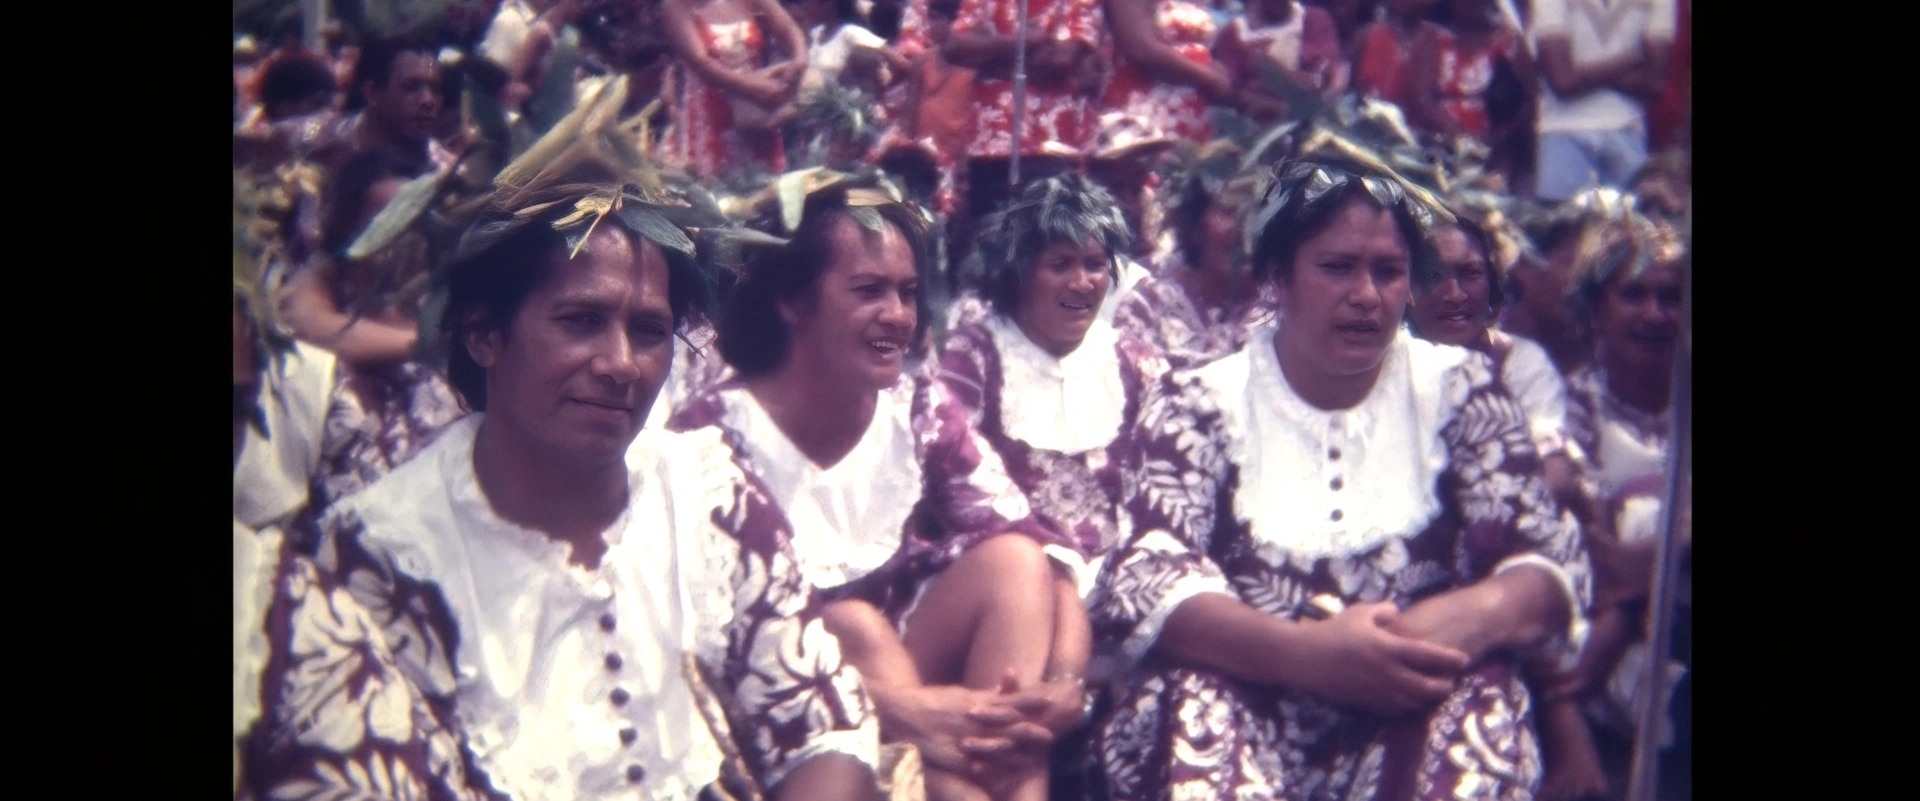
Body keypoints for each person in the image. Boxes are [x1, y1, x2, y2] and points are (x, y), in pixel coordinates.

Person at [242, 117, 884, 799]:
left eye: (649, 331)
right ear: (485, 335)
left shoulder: (706, 490)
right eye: (580, 321)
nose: (620, 364)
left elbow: (823, 724)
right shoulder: (388, 554)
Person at [1086, 155, 1591, 800]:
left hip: (1414, 696)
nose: (1366, 295)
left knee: (1482, 699)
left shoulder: (1460, 392)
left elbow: (1542, 562)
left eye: (1388, 271)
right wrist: (1308, 655)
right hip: (1250, 697)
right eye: (1337, 267)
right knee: (1192, 700)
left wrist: (1411, 640)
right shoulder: (1197, 402)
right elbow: (1148, 581)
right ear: (1277, 278)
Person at [669, 184, 1090, 801]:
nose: (898, 314)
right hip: (792, 711)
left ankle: (993, 773)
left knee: (1013, 561)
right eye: (869, 290)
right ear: (792, 301)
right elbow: (716, 660)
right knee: (853, 625)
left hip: (933, 686)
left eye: (908, 292)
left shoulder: (913, 406)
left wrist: (1064, 681)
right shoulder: (712, 437)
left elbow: (1035, 545)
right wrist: (906, 711)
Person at [1536, 212, 1688, 801]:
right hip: (1605, 636)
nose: (1655, 313)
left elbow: (1633, 565)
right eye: (1634, 294)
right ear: (1597, 309)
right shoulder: (1572, 405)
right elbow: (1596, 558)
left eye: (1672, 297)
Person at [275, 149, 468, 518]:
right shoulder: (324, 286)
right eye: (385, 219)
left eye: (413, 218)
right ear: (350, 228)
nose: (402, 233)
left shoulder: (440, 291)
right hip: (361, 501)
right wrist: (428, 343)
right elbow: (310, 325)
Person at [1112, 165, 1270, 368]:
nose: (1243, 228)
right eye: (1229, 212)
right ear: (1194, 225)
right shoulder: (1148, 307)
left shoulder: (1285, 311)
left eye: (1257, 214)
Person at [1528, 0, 1676, 202]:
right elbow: (1562, 82)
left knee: (1629, 229)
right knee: (1563, 227)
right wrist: (1633, 57)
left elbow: (1653, 84)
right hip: (1562, 133)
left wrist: (1579, 73)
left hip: (1626, 131)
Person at [661, 0, 810, 178]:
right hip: (713, 117)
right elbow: (700, 62)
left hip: (756, 112)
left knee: (766, 188)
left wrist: (800, 58)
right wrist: (752, 88)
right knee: (722, 195)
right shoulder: (676, 5)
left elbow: (787, 27)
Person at [1406, 0, 1534, 148]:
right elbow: (1422, 100)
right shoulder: (1430, 38)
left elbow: (1528, 100)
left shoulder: (1508, 40)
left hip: (1496, 149)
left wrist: (1497, 142)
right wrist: (1462, 139)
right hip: (1436, 146)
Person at [1351, 0, 1435, 111]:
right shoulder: (1366, 35)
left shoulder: (1431, 41)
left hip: (1406, 123)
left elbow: (1422, 99)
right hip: (1362, 115)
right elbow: (1350, 87)